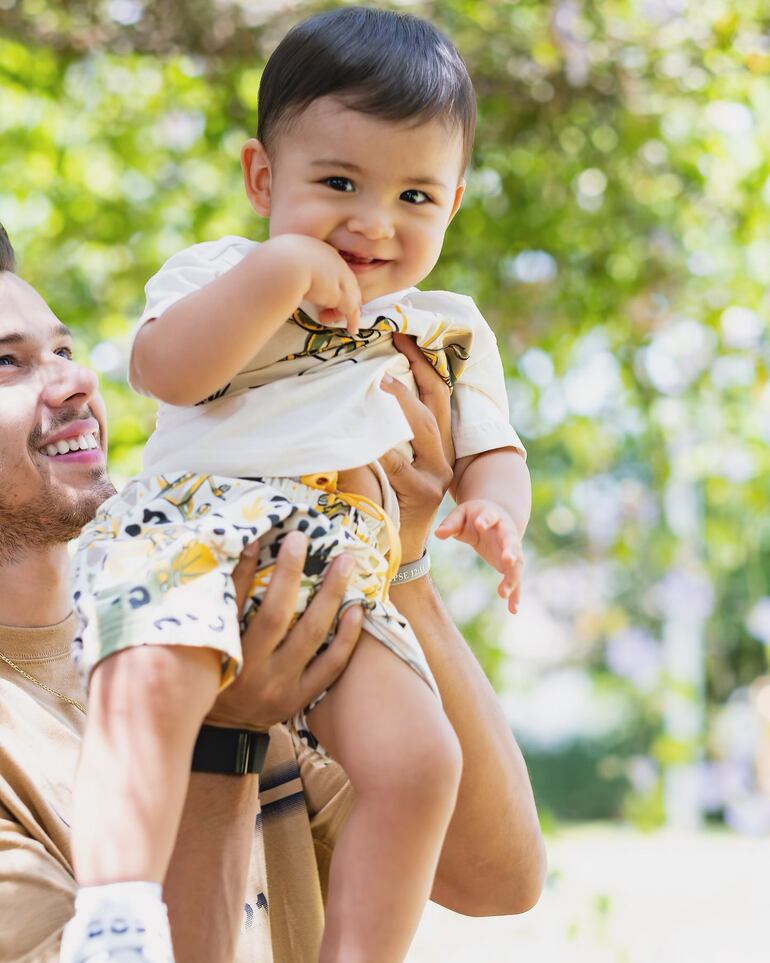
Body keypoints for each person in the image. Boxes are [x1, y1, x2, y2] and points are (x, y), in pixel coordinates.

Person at [63, 9, 535, 962]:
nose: (373, 222)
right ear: (262, 179)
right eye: (339, 183)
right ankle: (115, 915)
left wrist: (491, 510)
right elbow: (167, 371)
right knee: (151, 686)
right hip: (191, 534)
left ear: (452, 205)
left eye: (415, 195)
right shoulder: (223, 272)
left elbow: (494, 449)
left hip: (341, 563)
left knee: (420, 759)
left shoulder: (442, 330)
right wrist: (281, 272)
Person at [0, 224, 544, 963]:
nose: (75, 380)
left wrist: (402, 561)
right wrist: (225, 739)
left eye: (62, 350)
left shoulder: (234, 584)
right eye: (8, 364)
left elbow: (496, 877)